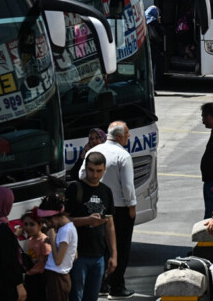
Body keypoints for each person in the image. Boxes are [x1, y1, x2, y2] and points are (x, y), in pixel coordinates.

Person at [79, 121, 136, 300]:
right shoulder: (123, 155)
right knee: (120, 246)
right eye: (127, 134)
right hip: (119, 207)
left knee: (102, 246)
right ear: (119, 136)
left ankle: (102, 285)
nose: (129, 137)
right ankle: (117, 286)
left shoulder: (94, 152)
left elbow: (82, 176)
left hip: (96, 205)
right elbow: (128, 186)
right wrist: (131, 206)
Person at [66, 152, 118, 301]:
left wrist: (114, 255)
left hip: (98, 256)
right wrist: (87, 220)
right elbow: (62, 221)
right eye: (90, 170)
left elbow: (110, 225)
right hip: (77, 256)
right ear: (85, 168)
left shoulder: (106, 191)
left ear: (104, 169)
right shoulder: (75, 188)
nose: (94, 175)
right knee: (76, 296)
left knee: (92, 297)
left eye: (98, 171)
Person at [38, 194, 78, 301]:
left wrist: (51, 239)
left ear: (54, 217)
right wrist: (54, 243)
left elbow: (58, 261)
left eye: (46, 222)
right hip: (60, 276)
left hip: (57, 277)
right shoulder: (68, 227)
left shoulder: (65, 231)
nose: (47, 226)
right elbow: (75, 256)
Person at [15, 210, 51, 301]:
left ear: (40, 225)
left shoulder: (44, 241)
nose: (28, 227)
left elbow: (48, 262)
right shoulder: (30, 239)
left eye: (32, 224)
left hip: (39, 279)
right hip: (30, 277)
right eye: (25, 224)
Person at [145, 5, 165, 89]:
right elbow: (161, 33)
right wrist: (159, 22)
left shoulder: (144, 20)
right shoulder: (154, 21)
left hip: (146, 46)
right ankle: (154, 85)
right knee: (154, 66)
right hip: (153, 47)